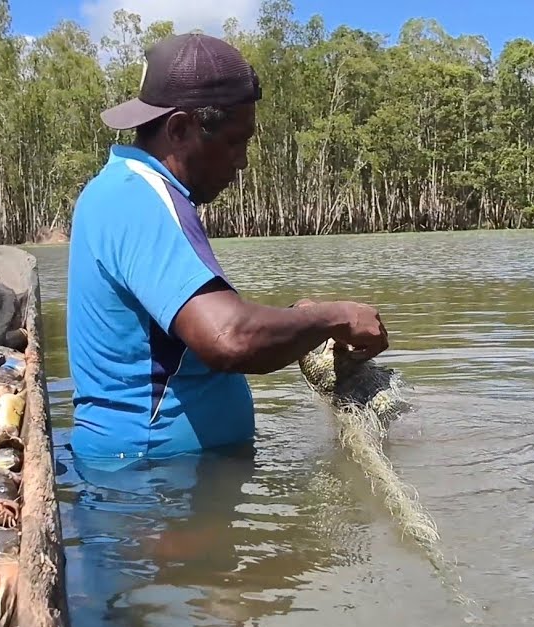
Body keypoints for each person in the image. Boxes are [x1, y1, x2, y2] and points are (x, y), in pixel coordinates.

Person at [65, 32, 389, 463]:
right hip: (152, 485)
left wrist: (299, 321)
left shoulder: (128, 190)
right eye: (236, 141)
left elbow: (201, 324)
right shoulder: (139, 197)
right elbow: (229, 337)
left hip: (165, 474)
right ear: (179, 129)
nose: (242, 161)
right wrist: (336, 317)